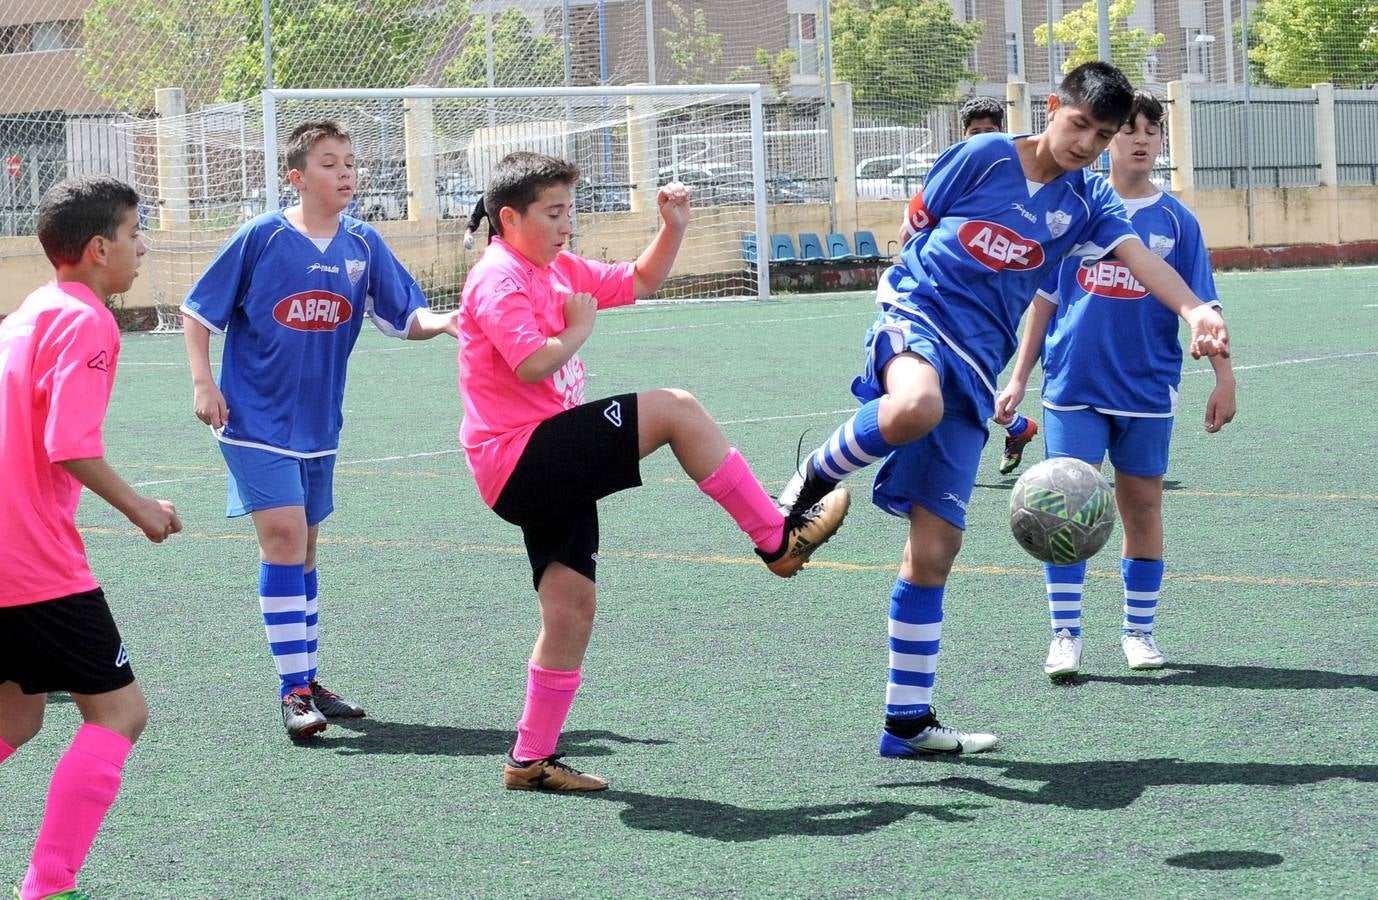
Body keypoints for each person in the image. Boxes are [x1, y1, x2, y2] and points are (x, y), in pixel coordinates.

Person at [775, 62, 1229, 758]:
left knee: (935, 550)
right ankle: (813, 477)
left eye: (1101, 135)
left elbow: (1142, 260)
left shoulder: (1088, 206)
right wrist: (911, 290)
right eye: (1079, 124)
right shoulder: (985, 155)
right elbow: (918, 224)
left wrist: (1196, 310)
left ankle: (906, 724)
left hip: (977, 364)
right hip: (917, 316)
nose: (1086, 143)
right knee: (913, 404)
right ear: (1053, 108)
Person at [457, 152, 849, 792]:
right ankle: (777, 539)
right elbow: (530, 363)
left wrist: (673, 227)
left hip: (545, 462)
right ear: (510, 217)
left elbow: (639, 280)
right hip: (519, 458)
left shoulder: (554, 268)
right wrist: (578, 329)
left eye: (569, 212)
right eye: (554, 213)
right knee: (676, 411)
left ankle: (529, 760)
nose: (566, 226)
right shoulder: (498, 276)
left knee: (571, 609)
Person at [181, 120, 460, 741]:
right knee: (282, 538)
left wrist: (441, 322)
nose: (345, 173)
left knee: (305, 548)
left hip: (319, 426)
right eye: (330, 163)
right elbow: (198, 312)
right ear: (297, 176)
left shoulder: (364, 243)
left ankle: (307, 676)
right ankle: (292, 692)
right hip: (253, 421)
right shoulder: (261, 236)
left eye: (351, 163)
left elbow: (403, 313)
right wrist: (205, 384)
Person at [994, 90, 1237, 680]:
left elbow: (1204, 307)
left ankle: (1138, 631)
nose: (1139, 140)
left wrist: (1224, 377)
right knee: (1064, 510)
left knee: (1143, 508)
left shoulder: (1177, 221)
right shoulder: (1073, 209)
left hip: (1147, 389)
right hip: (1074, 384)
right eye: (1126, 130)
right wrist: (1019, 375)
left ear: (1161, 141)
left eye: (1151, 131)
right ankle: (1065, 635)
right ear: (1108, 138)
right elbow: (1044, 303)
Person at [0, 175, 182, 900]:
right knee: (120, 711)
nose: (143, 247)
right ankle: (50, 884)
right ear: (100, 248)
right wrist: (139, 507)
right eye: (137, 233)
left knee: (16, 711)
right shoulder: (87, 320)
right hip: (33, 560)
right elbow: (66, 442)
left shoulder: (24, 314)